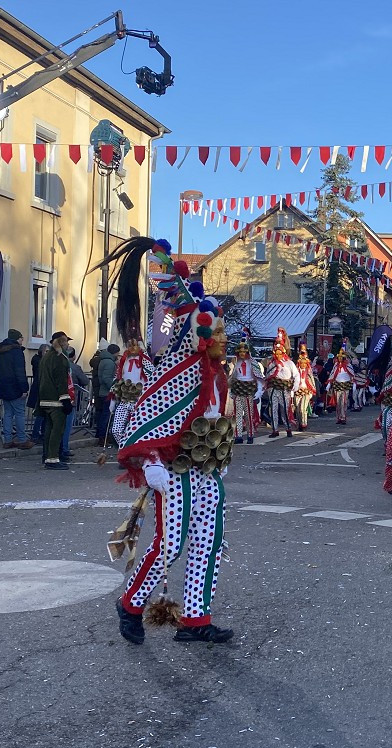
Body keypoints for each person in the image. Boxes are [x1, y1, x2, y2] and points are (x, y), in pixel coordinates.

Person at [109, 237, 234, 644]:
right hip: (173, 466)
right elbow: (148, 413)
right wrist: (150, 463)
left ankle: (196, 620)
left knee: (207, 540)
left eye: (222, 330)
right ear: (200, 336)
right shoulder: (178, 372)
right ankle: (131, 603)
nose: (222, 337)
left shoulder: (217, 375)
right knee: (171, 543)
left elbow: (216, 418)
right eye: (215, 331)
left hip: (207, 466)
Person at [36, 332, 73, 470]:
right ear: (62, 343)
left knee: (48, 429)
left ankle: (47, 456)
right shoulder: (60, 358)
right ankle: (53, 459)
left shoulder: (46, 357)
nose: (68, 345)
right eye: (67, 342)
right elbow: (60, 381)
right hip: (56, 400)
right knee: (57, 430)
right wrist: (65, 399)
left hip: (45, 398)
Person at [0, 329, 32, 449]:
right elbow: (20, 372)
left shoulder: (1, 351)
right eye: (21, 338)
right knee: (20, 413)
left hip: (4, 386)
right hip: (16, 387)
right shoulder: (17, 352)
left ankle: (7, 439)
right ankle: (22, 439)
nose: (23, 340)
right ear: (17, 339)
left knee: (8, 414)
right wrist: (24, 388)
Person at [263, 328, 300, 438]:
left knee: (284, 409)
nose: (278, 355)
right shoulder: (271, 363)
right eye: (277, 353)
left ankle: (288, 427)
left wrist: (295, 387)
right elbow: (268, 375)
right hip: (274, 388)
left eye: (280, 353)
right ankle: (275, 430)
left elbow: (296, 375)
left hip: (285, 389)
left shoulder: (289, 363)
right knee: (273, 409)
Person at [229, 340, 263, 444]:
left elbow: (259, 378)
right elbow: (231, 376)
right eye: (240, 352)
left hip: (249, 391)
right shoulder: (235, 363)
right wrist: (231, 390)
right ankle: (238, 435)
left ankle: (250, 434)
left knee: (249, 415)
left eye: (244, 352)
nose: (242, 354)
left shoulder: (253, 363)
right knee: (237, 414)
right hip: (238, 390)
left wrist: (258, 393)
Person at [294, 342, 318, 431]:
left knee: (303, 408)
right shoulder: (296, 371)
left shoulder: (309, 372)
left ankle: (304, 424)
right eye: (301, 363)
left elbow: (312, 381)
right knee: (297, 409)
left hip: (306, 391)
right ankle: (299, 423)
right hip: (297, 391)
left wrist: (312, 391)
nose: (303, 365)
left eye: (304, 363)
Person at [328, 349, 355, 425]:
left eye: (341, 357)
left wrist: (354, 384)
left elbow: (352, 374)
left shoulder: (348, 365)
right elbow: (332, 374)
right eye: (339, 357)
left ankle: (343, 417)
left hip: (345, 385)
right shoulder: (336, 365)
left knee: (344, 402)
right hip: (337, 384)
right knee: (338, 402)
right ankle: (338, 417)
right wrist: (329, 384)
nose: (340, 359)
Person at [27, 344, 47, 441]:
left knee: (43, 414)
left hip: (41, 389)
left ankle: (41, 434)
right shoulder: (38, 361)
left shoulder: (39, 361)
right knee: (40, 414)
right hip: (39, 390)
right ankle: (35, 435)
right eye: (46, 352)